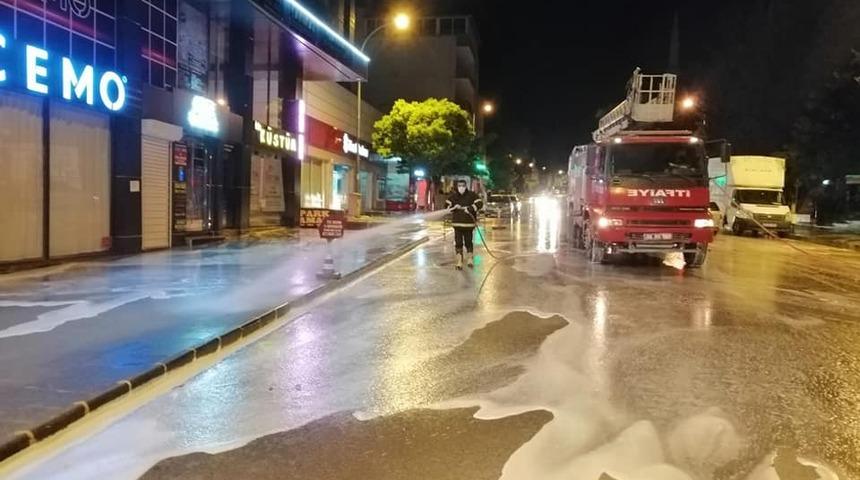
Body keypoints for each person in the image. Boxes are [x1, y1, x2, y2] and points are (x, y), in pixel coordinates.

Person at [445, 180, 484, 269]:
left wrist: (470, 208)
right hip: (457, 224)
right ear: (457, 186)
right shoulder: (453, 197)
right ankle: (459, 261)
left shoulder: (472, 195)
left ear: (466, 186)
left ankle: (470, 259)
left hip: (468, 224)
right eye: (459, 186)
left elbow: (479, 203)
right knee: (458, 243)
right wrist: (453, 207)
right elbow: (446, 205)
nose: (461, 187)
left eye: (463, 185)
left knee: (468, 242)